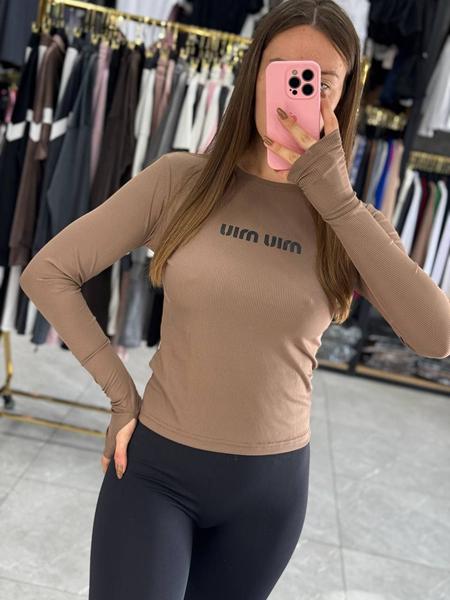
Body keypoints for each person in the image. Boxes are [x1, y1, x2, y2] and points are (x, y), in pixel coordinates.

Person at [19, 1, 450, 599]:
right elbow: (47, 272)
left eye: (321, 81)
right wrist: (120, 394)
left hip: (269, 497)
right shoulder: (181, 181)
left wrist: (336, 200)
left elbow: (436, 337)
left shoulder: (352, 223)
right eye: (284, 73)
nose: (299, 93)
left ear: (345, 95)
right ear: (253, 77)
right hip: (156, 474)